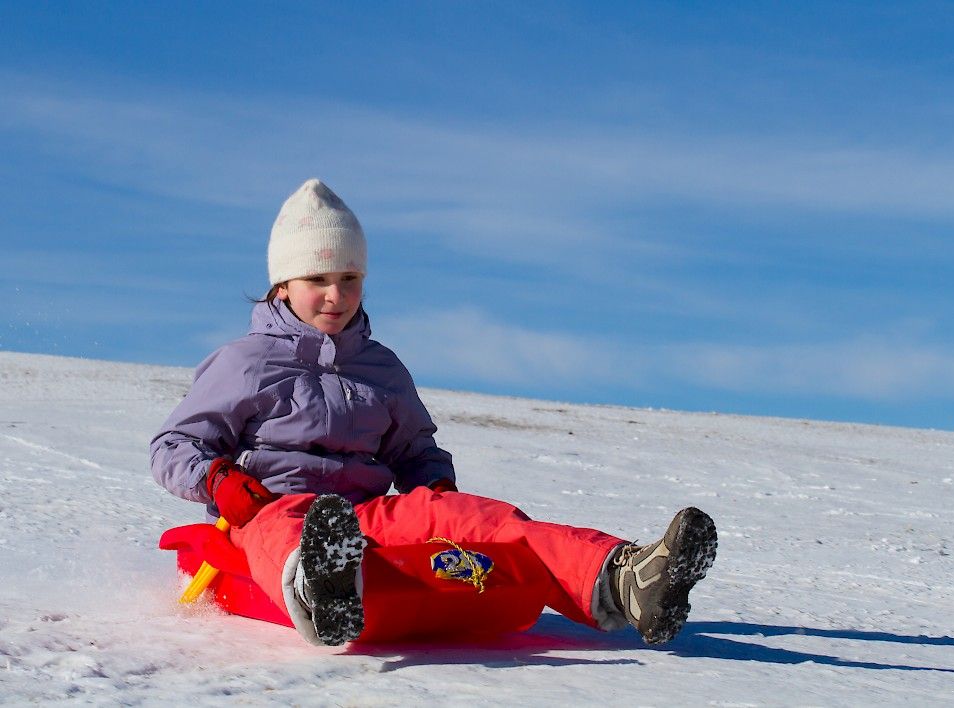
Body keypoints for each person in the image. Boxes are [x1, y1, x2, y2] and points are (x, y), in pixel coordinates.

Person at [151, 178, 717, 646]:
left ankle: (623, 579)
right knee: (285, 528)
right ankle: (319, 585)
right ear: (282, 285)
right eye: (317, 280)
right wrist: (221, 480)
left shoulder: (381, 368)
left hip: (367, 515)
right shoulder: (246, 362)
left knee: (482, 519)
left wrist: (434, 484)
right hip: (272, 508)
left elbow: (412, 448)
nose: (335, 295)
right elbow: (174, 446)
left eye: (349, 279)